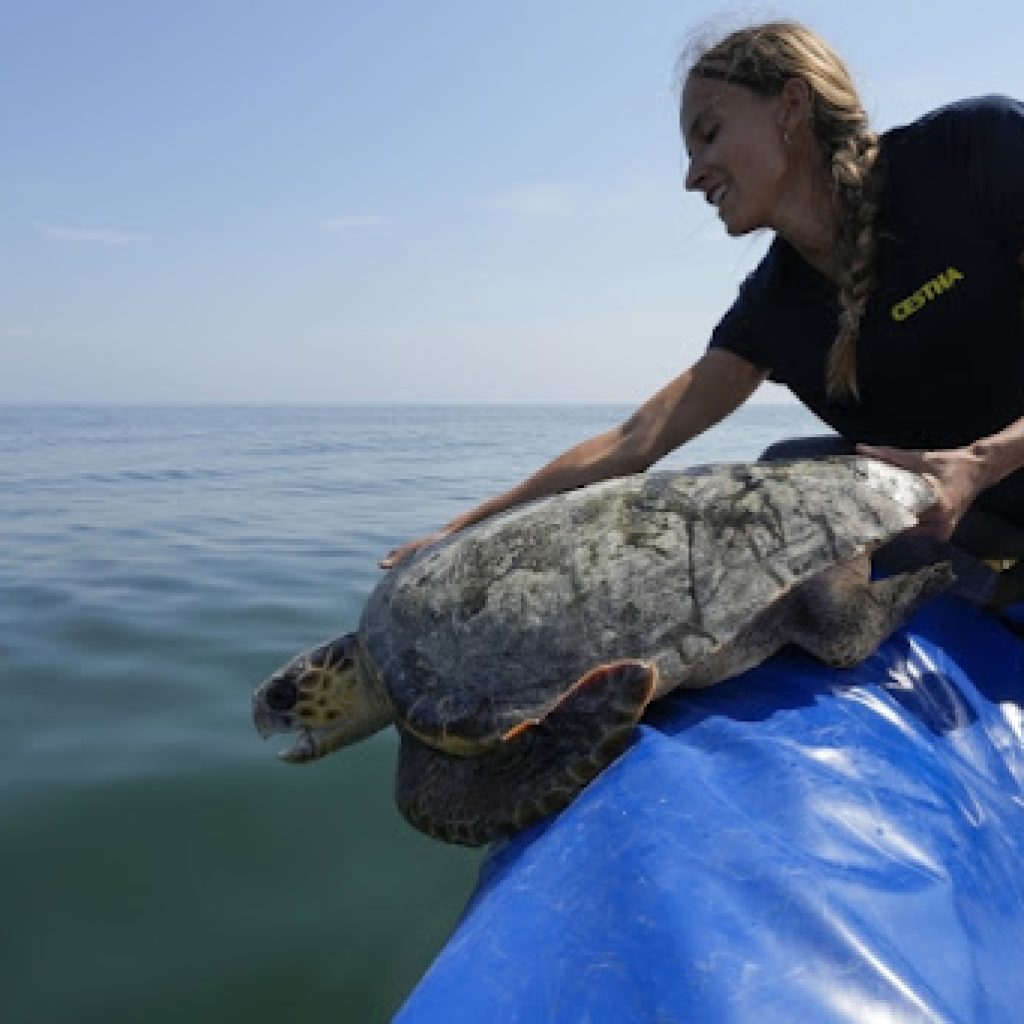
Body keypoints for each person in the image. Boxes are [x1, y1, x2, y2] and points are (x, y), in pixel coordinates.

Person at [380, 21, 1024, 607]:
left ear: (791, 107)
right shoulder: (774, 306)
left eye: (709, 134)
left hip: (992, 484)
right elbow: (636, 441)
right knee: (786, 471)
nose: (693, 176)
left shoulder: (974, 153)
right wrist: (460, 536)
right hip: (967, 527)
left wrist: (981, 462)